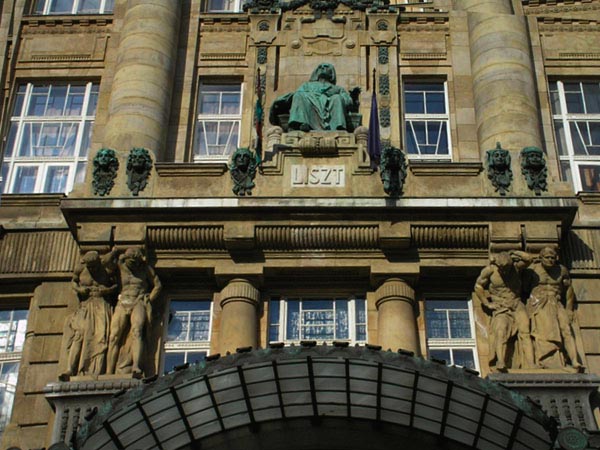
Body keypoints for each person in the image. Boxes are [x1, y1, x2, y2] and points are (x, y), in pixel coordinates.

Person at [61, 250, 118, 379]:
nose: (91, 269)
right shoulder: (80, 268)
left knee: (100, 337)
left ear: (99, 262)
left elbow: (117, 285)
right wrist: (79, 289)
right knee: (78, 335)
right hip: (86, 305)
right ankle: (71, 369)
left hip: (101, 305)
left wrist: (108, 290)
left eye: (94, 266)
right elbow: (74, 282)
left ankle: (95, 370)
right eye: (89, 267)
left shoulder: (107, 269)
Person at [522, 247, 581, 370]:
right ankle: (544, 360)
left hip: (556, 302)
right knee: (543, 333)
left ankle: (574, 360)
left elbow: (569, 289)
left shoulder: (562, 270)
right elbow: (524, 289)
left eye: (552, 258)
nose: (550, 260)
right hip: (539, 303)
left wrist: (569, 308)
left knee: (566, 330)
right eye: (547, 257)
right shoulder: (533, 270)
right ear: (541, 258)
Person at [474, 251, 535, 371]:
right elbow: (478, 286)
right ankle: (500, 361)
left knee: (525, 332)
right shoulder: (490, 270)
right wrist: (487, 303)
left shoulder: (516, 268)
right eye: (501, 268)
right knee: (501, 332)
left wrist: (514, 252)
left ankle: (531, 364)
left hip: (516, 304)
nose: (504, 271)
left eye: (506, 268)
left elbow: (529, 259)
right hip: (500, 306)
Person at [107, 248, 162, 377]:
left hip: (138, 301)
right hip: (122, 302)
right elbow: (106, 264)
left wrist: (149, 298)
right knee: (114, 336)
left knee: (137, 331)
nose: (132, 264)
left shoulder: (145, 269)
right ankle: (109, 371)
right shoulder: (121, 266)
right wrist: (115, 251)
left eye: (134, 261)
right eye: (129, 261)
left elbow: (157, 285)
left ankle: (136, 365)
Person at [270, 63, 354, 132]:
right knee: (299, 95)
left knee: (337, 98)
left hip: (330, 107)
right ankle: (301, 123)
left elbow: (348, 101)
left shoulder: (337, 88)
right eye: (320, 67)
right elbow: (295, 95)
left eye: (326, 67)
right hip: (310, 105)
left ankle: (337, 126)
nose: (322, 68)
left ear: (331, 73)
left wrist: (353, 96)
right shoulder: (307, 85)